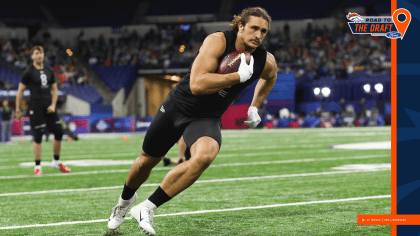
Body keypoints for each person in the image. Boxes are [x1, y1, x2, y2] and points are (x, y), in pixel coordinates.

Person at [108, 7, 277, 235]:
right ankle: (123, 203)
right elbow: (197, 85)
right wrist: (237, 77)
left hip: (207, 116)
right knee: (146, 161)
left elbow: (270, 76)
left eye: (263, 31)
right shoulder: (217, 41)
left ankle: (146, 207)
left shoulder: (264, 60)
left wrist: (255, 106)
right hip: (179, 106)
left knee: (205, 156)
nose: (258, 34)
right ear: (240, 26)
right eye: (254, 28)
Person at [15, 46, 71, 176]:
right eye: (36, 53)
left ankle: (56, 161)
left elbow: (55, 89)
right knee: (38, 136)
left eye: (41, 53)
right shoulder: (28, 72)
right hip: (35, 108)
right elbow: (20, 91)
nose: (39, 56)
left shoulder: (49, 70)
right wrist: (17, 109)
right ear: (32, 56)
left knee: (59, 131)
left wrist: (53, 104)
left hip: (49, 107)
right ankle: (38, 166)